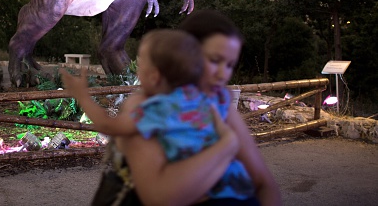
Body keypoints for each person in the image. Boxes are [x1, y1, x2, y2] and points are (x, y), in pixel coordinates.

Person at [61, 28, 259, 205]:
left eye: (140, 65)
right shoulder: (199, 100)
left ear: (153, 76)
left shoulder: (158, 109)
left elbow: (109, 125)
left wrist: (82, 96)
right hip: (238, 188)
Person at [116, 10, 281, 206]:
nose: (223, 75)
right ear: (182, 55)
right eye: (214, 60)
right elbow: (158, 197)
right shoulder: (147, 108)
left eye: (230, 65)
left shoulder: (218, 105)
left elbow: (264, 183)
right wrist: (226, 145)